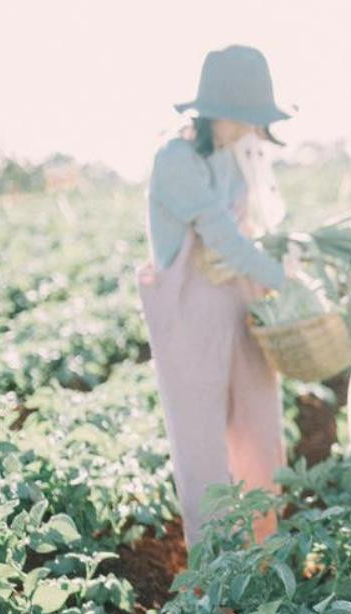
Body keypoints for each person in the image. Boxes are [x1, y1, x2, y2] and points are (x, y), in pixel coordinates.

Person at [139, 44, 300, 548]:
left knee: (260, 428)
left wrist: (276, 270)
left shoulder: (232, 158)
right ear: (212, 112)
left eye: (254, 120)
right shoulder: (175, 159)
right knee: (201, 447)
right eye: (241, 118)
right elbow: (221, 236)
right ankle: (214, 572)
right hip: (188, 317)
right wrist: (283, 278)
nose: (250, 130)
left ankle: (264, 551)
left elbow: (246, 234)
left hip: (236, 307)